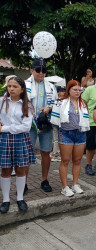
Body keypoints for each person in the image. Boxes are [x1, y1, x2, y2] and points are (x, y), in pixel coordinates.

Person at [0, 76, 35, 213]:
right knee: (6, 170)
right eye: (9, 86)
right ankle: (6, 200)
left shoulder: (28, 105)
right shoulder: (2, 102)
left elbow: (25, 127)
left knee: (21, 169)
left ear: (22, 89)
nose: (11, 89)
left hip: (21, 139)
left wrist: (4, 128)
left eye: (15, 86)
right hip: (4, 140)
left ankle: (20, 198)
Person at [51, 80, 90, 197]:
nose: (78, 92)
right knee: (65, 160)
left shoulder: (83, 102)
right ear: (69, 90)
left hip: (80, 133)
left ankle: (75, 184)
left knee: (77, 160)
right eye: (75, 89)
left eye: (79, 90)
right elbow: (55, 120)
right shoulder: (60, 102)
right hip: (66, 133)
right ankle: (64, 187)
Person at [26, 59, 58, 192]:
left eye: (43, 70)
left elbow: (56, 103)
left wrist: (49, 108)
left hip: (46, 123)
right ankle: (24, 183)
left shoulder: (51, 86)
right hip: (29, 124)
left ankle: (44, 180)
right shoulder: (24, 84)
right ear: (32, 70)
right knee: (27, 154)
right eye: (38, 70)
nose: (41, 73)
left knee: (46, 152)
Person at [50, 86, 66, 162]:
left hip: (55, 121)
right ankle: (56, 155)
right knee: (58, 139)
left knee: (56, 139)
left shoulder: (56, 100)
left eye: (64, 91)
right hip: (58, 122)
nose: (64, 93)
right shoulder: (62, 101)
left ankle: (54, 153)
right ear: (58, 92)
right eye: (62, 91)